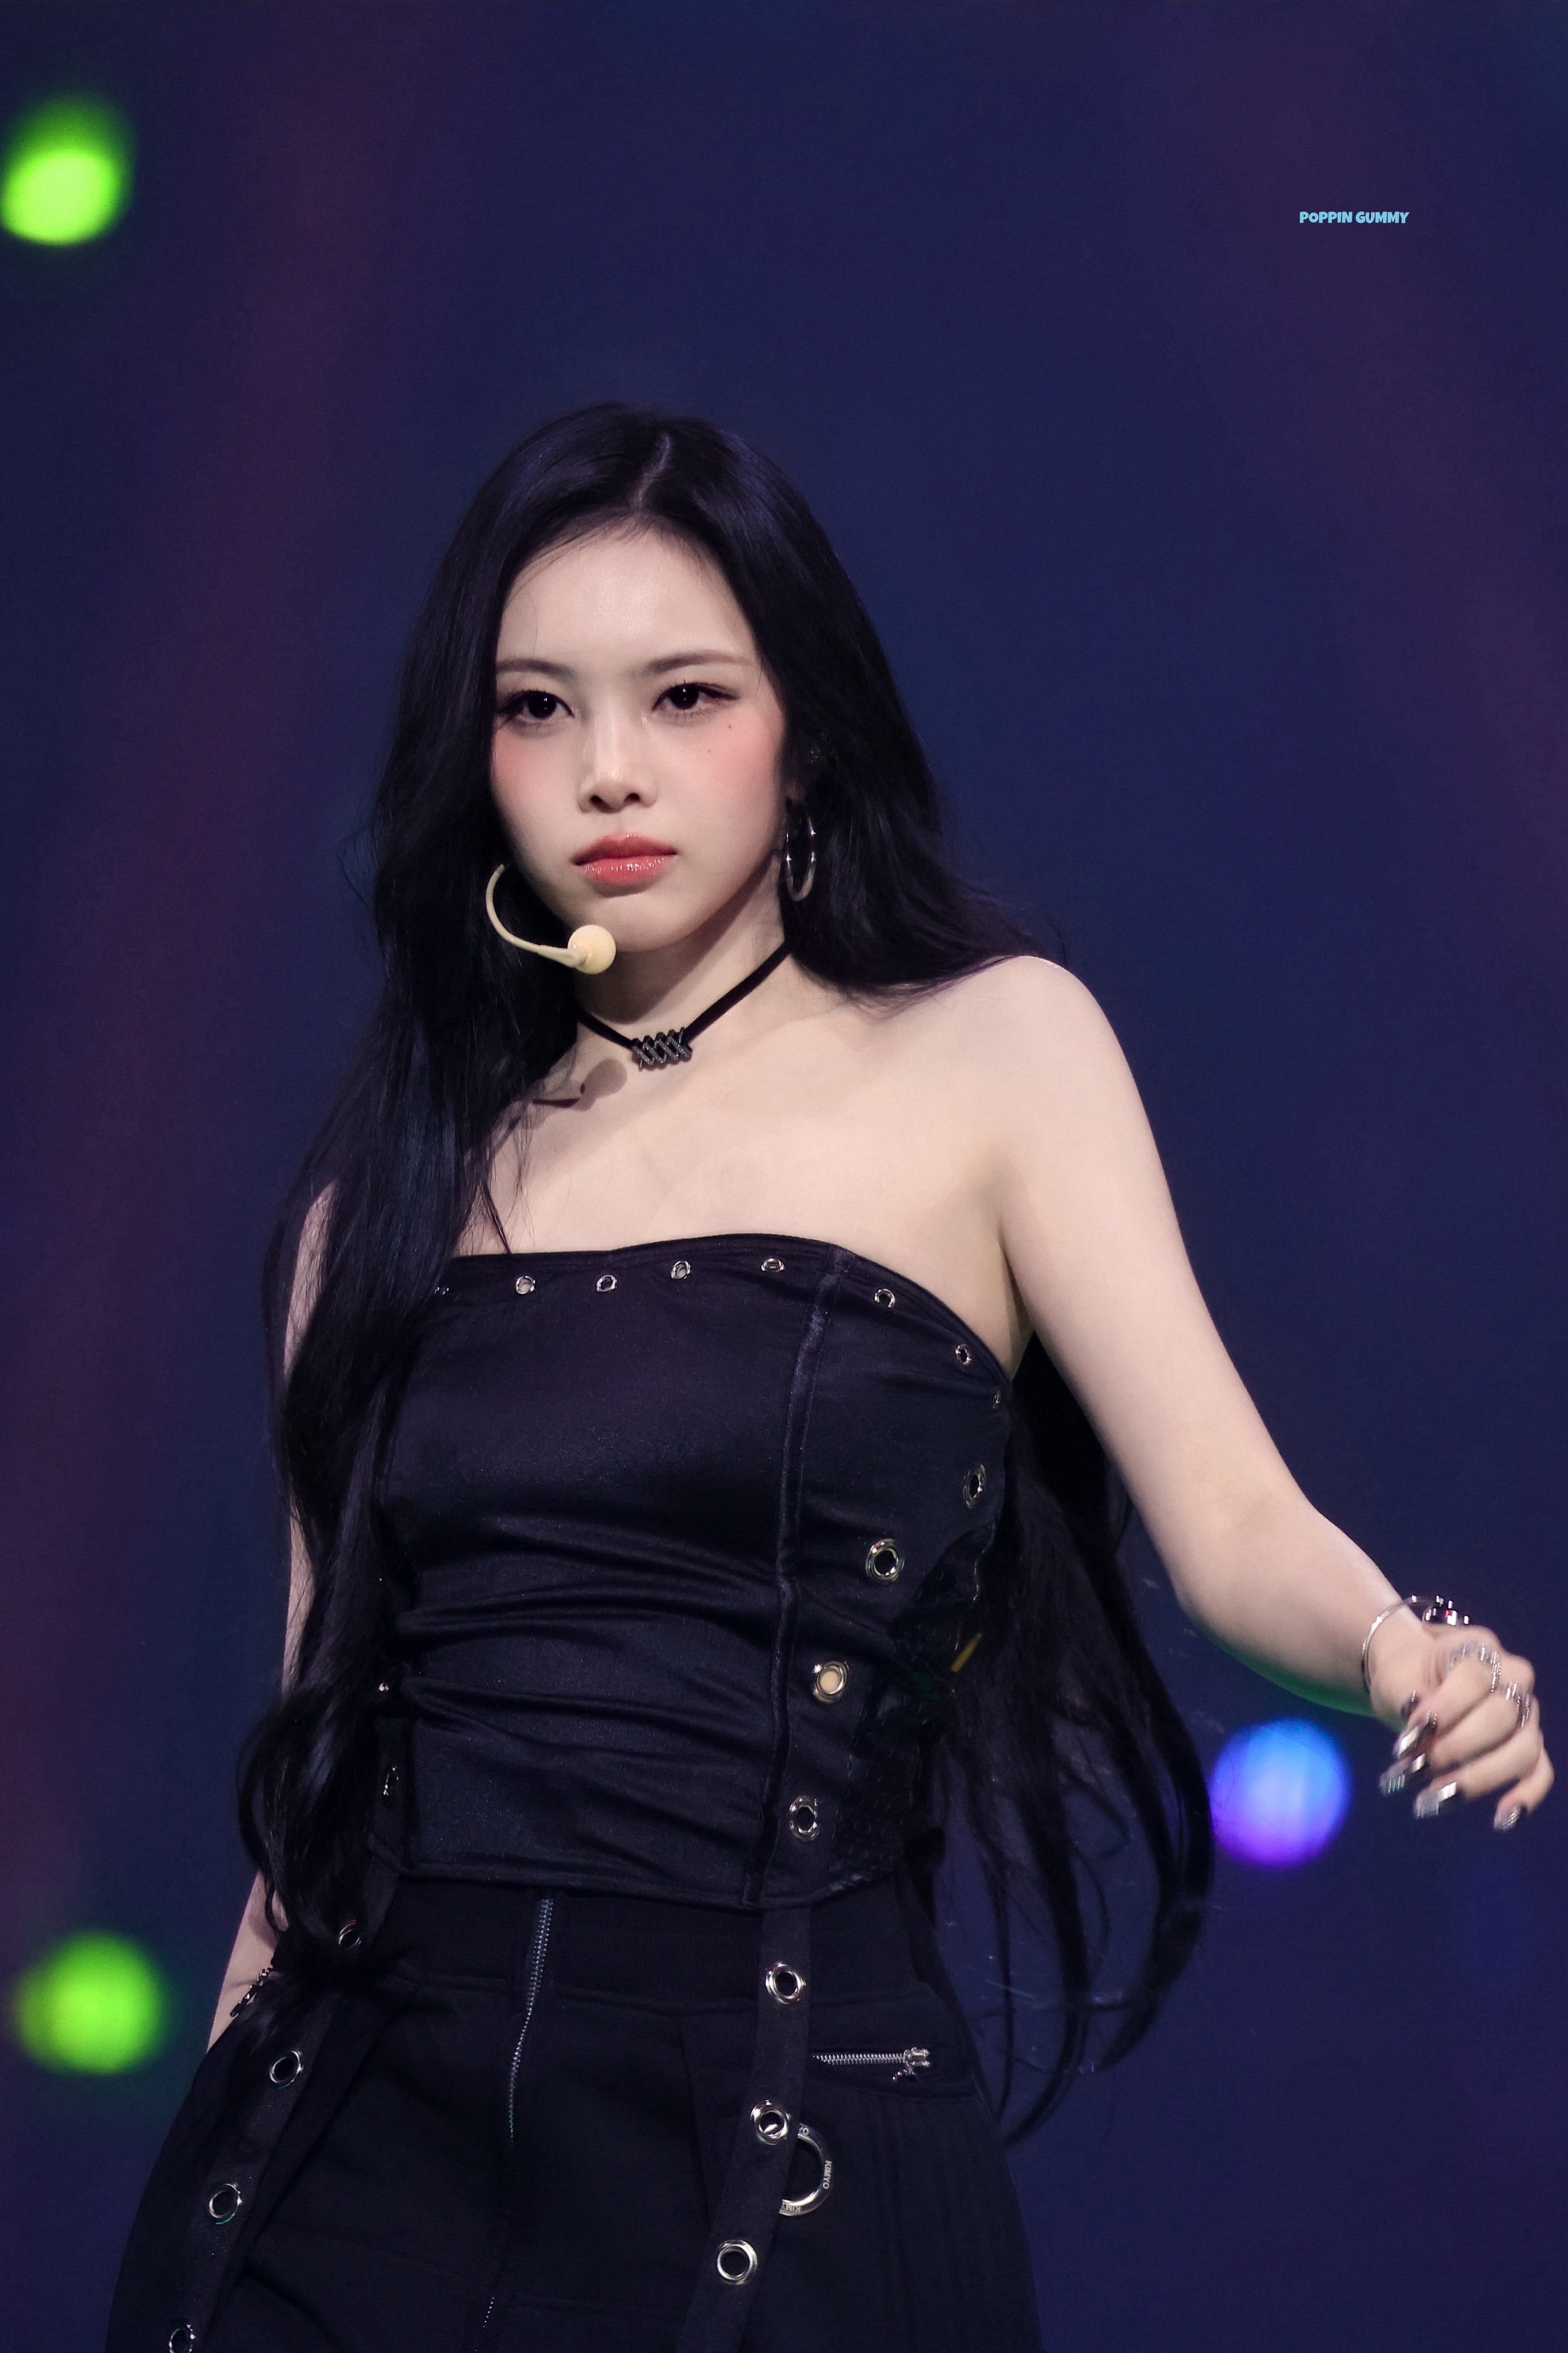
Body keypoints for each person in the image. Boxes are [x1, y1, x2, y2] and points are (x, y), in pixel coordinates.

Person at [109, 405, 1551, 2353]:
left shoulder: (991, 1053)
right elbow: (318, 1790)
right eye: (536, 709)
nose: (608, 768)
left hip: (774, 2141)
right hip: (354, 2151)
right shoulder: (376, 1203)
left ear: (803, 729)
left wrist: (1400, 1648)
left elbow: (1229, 1522)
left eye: (684, 695)